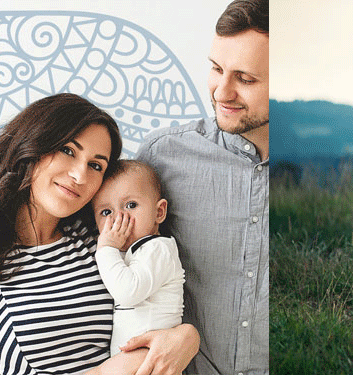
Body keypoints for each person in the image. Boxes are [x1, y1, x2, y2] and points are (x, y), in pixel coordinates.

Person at [0, 93, 199, 375]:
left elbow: (161, 293)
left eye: (96, 165)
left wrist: (187, 336)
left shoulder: (98, 239)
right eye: (68, 151)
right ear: (31, 146)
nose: (80, 175)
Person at [134, 0, 268, 373]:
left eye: (245, 79)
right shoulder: (161, 158)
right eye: (216, 68)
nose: (221, 92)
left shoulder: (314, 178)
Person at [90, 160, 185, 360]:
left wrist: (106, 249)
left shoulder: (159, 248)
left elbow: (128, 292)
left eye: (131, 205)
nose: (118, 218)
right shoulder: (125, 253)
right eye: (106, 212)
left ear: (159, 212)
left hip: (155, 360)